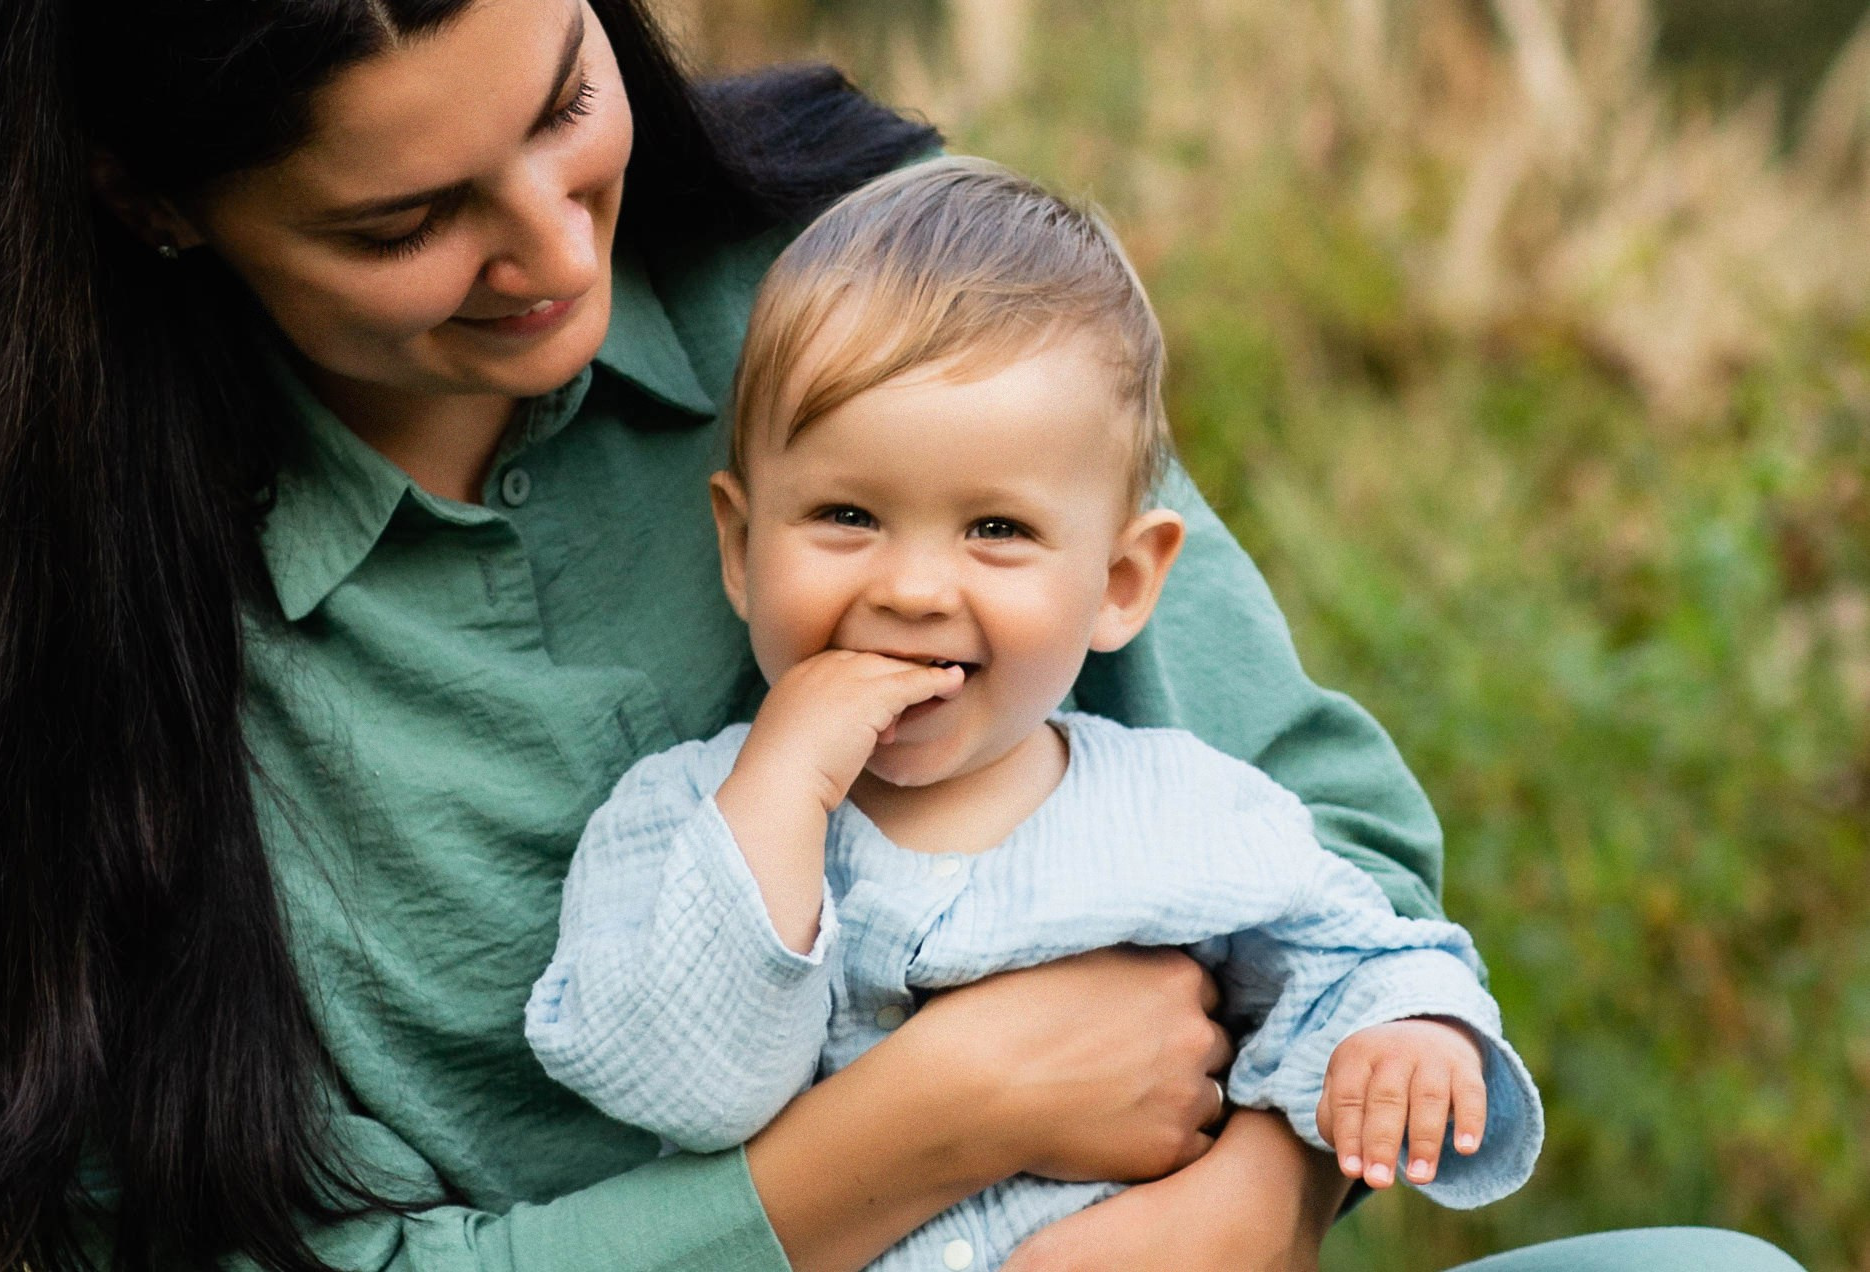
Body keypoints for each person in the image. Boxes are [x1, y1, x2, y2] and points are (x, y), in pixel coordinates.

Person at [0, 0, 1805, 1269]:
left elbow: (1318, 843)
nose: (550, 248)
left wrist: (1258, 1190)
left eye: (560, 106)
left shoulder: (846, 277)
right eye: (406, 221)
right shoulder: (75, 631)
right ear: (151, 203)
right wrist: (914, 1130)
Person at [524, 157, 1547, 1272]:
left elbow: (1350, 959)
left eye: (996, 530)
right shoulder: (674, 822)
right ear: (740, 545)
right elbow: (688, 1087)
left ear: (1120, 584)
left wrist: (1409, 1034)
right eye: (848, 514)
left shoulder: (1182, 809)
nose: (913, 589)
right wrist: (780, 789)